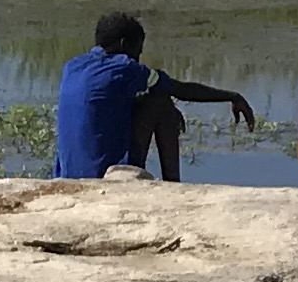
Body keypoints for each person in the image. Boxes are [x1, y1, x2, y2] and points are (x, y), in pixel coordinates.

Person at [53, 11, 252, 181]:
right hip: (103, 178)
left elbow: (107, 104)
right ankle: (173, 186)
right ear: (124, 44)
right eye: (137, 51)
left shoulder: (72, 66)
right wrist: (232, 96)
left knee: (156, 102)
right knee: (160, 102)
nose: (138, 58)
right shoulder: (125, 67)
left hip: (69, 175)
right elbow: (179, 89)